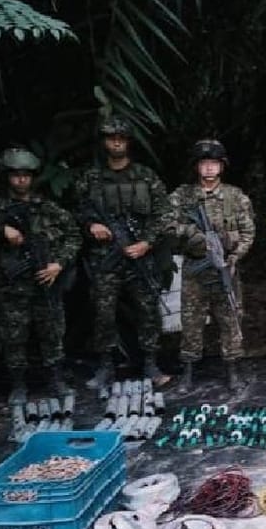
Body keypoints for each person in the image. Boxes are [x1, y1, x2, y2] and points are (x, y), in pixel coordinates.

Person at [0, 148, 80, 404]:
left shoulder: (47, 209)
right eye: (15, 175)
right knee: (14, 338)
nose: (21, 180)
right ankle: (18, 385)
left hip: (46, 281)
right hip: (12, 287)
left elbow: (74, 235)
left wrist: (58, 264)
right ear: (7, 177)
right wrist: (0, 231)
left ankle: (56, 380)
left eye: (26, 175)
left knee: (52, 333)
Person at [74, 116, 173, 389]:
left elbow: (164, 213)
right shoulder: (90, 178)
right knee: (103, 312)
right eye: (110, 137)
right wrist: (92, 225)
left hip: (139, 256)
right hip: (105, 259)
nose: (116, 142)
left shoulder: (145, 176)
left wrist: (147, 242)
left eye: (121, 137)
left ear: (129, 142)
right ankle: (106, 366)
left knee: (148, 311)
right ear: (104, 142)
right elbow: (77, 212)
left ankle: (151, 364)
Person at [166, 139, 255, 389]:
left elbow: (248, 233)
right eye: (204, 163)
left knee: (230, 318)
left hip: (226, 266)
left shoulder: (235, 197)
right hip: (195, 271)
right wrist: (191, 235)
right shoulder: (182, 196)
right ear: (197, 167)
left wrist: (235, 258)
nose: (208, 168)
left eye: (213, 163)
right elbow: (165, 224)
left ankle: (233, 370)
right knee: (191, 322)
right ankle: (189, 370)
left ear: (221, 167)